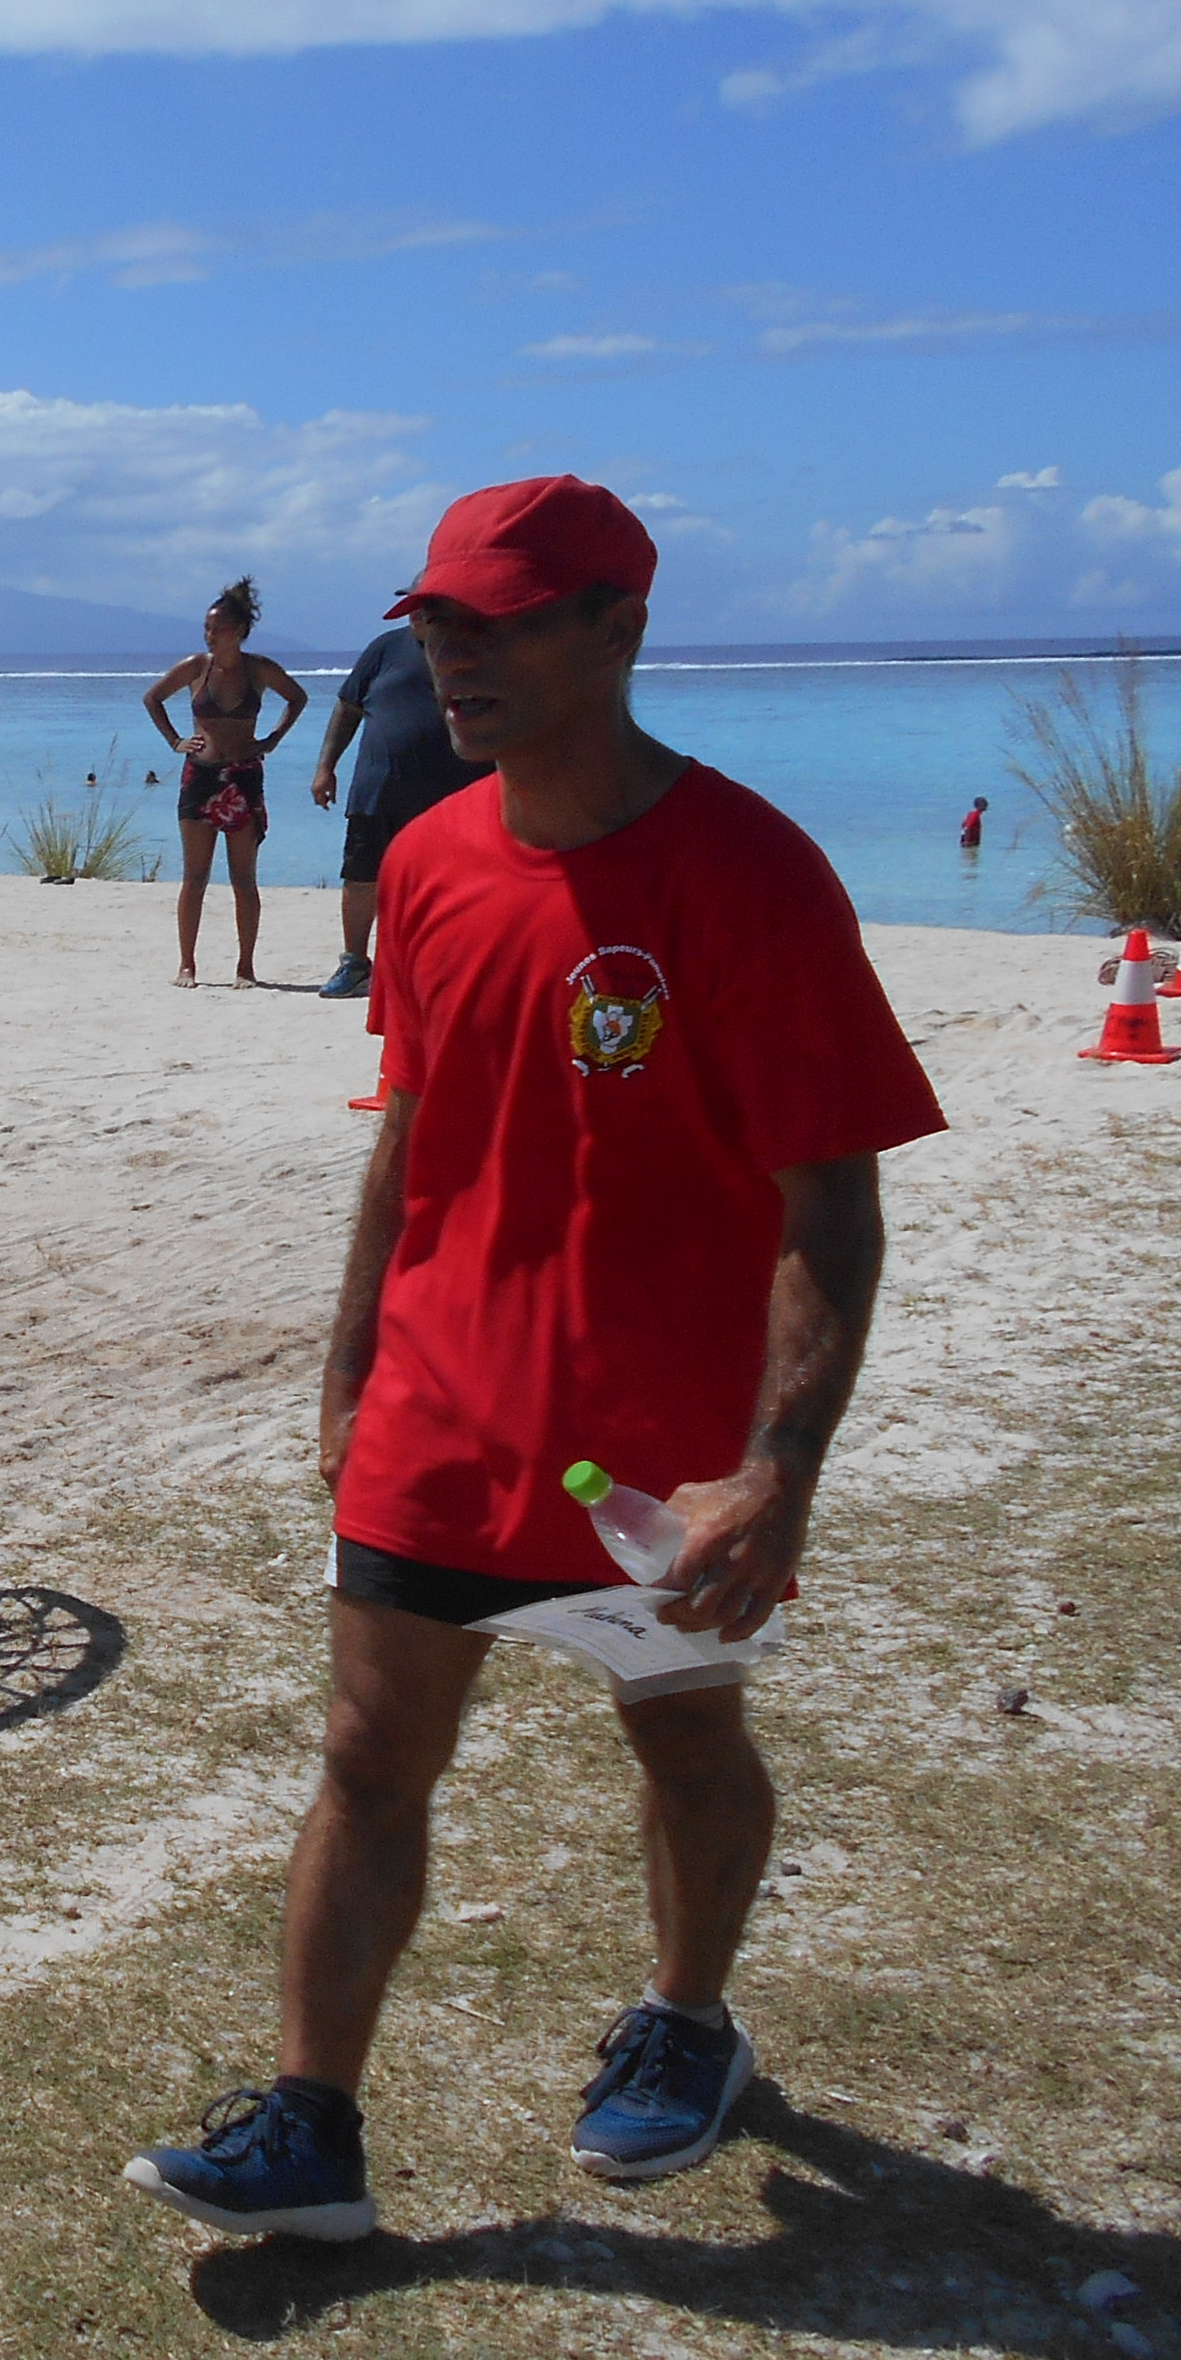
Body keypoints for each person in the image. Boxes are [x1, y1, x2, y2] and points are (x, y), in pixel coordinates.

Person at [121, 477, 946, 2242]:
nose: (450, 650)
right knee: (363, 1755)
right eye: (433, 618)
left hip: (656, 1441)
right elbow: (407, 1140)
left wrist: (776, 1465)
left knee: (681, 1738)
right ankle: (308, 2127)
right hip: (439, 1402)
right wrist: (347, 1373)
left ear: (614, 628)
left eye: (495, 619)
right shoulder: (421, 858)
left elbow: (831, 1203)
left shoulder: (750, 874)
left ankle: (684, 2024)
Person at [307, 619, 488, 999]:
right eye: (413, 605)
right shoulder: (384, 648)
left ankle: (451, 965)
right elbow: (347, 707)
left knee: (453, 883)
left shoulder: (476, 646)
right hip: (378, 788)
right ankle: (355, 964)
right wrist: (325, 767)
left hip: (453, 791)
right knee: (360, 875)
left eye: (428, 605)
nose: (418, 614)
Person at [144, 577, 307, 983]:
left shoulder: (260, 669)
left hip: (244, 778)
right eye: (207, 629)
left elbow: (297, 697)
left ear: (239, 632)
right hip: (199, 776)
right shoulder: (196, 667)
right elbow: (153, 698)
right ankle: (187, 963)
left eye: (217, 629)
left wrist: (272, 738)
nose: (210, 635)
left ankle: (245, 965)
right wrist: (175, 741)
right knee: (195, 877)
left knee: (243, 878)